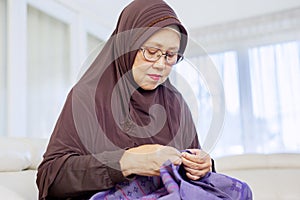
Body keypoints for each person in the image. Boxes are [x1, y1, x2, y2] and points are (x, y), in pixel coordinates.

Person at [36, 0, 252, 199]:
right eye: (151, 51)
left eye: (170, 55)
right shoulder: (86, 97)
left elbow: (192, 176)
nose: (160, 64)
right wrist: (127, 162)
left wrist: (203, 166)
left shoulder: (175, 102)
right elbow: (50, 177)